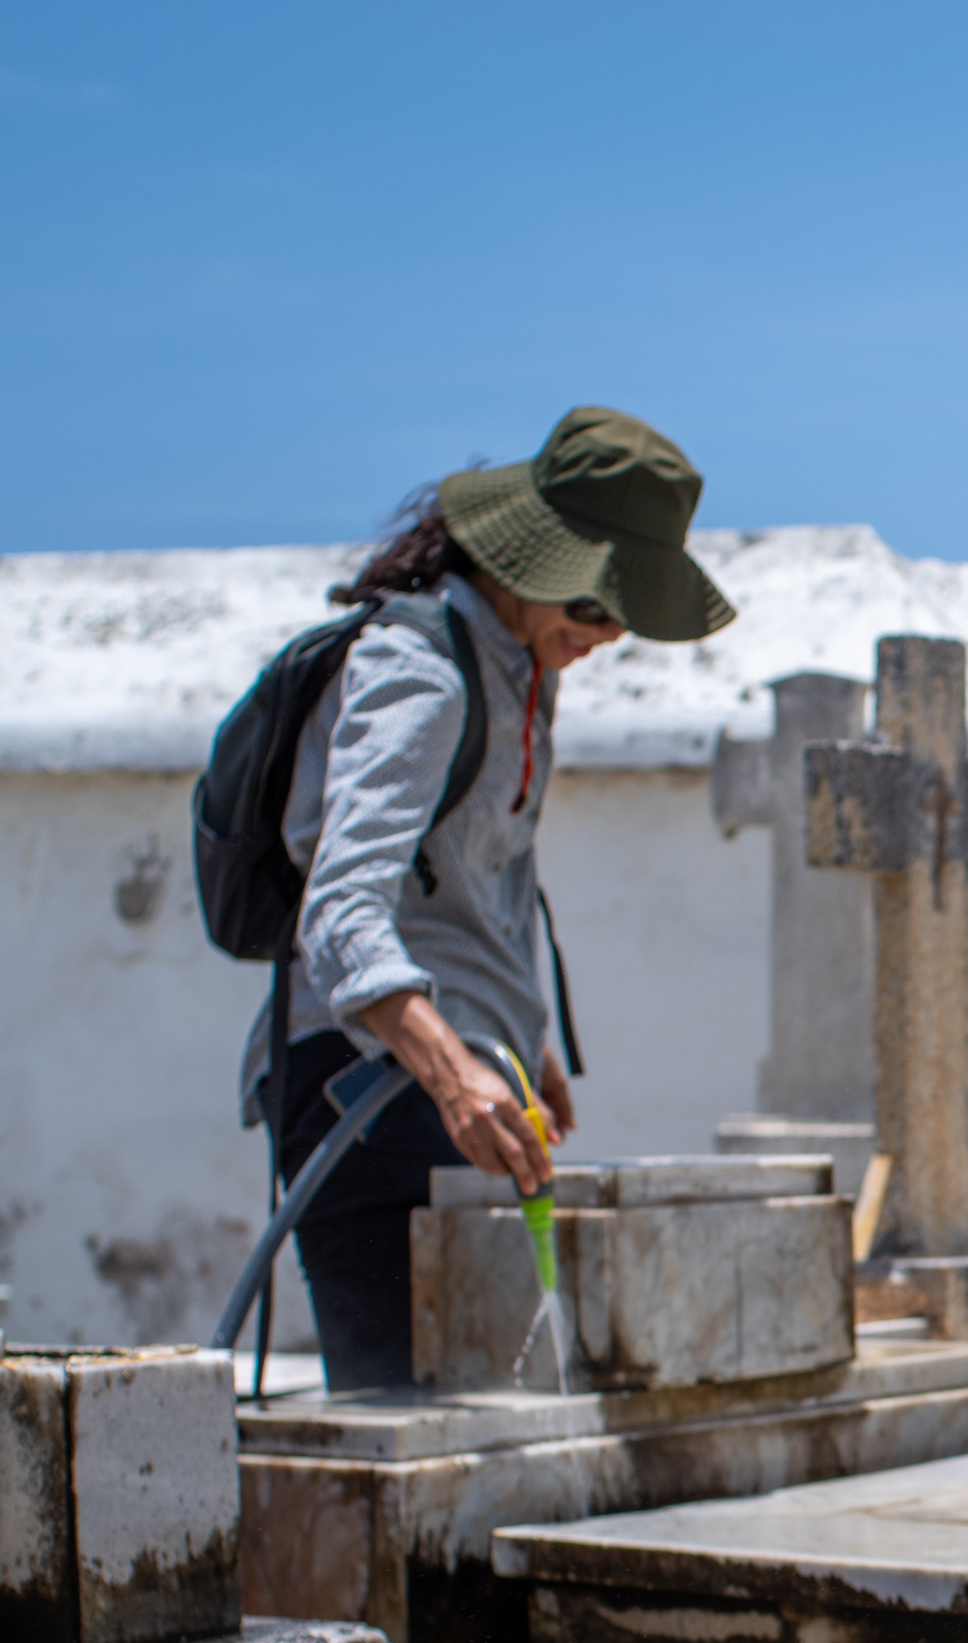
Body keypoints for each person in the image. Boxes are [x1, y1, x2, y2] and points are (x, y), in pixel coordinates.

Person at [242, 406, 735, 1391]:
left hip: (457, 1075)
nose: (610, 634)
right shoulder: (419, 672)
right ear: (533, 562)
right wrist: (451, 1068)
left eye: (623, 612)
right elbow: (340, 911)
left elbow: (480, 878)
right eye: (598, 606)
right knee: (418, 1426)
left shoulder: (523, 672)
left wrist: (522, 1034)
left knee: (503, 1406)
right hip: (371, 1086)